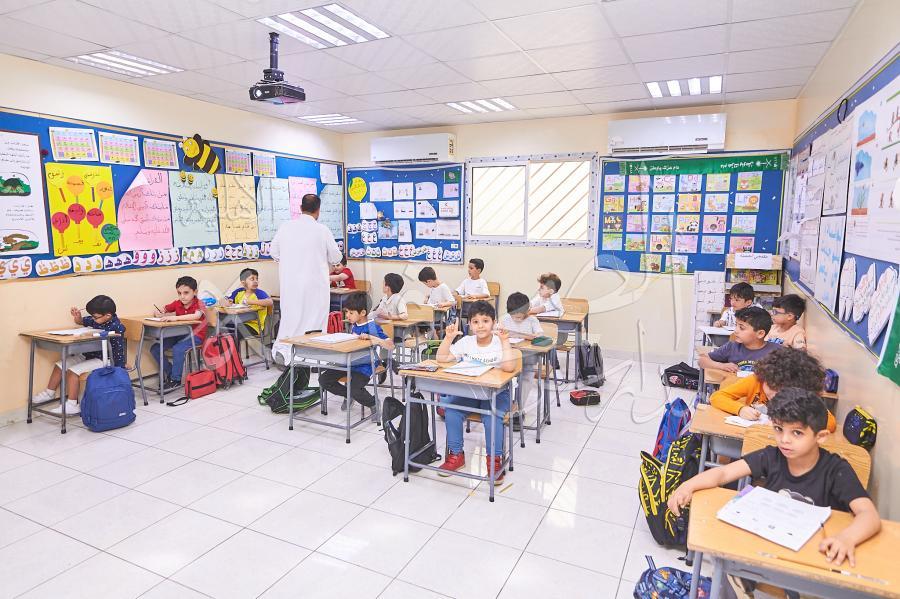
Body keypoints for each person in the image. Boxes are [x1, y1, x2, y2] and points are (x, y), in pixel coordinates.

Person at [669, 388, 881, 569]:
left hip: (814, 558)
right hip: (770, 551)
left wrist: (847, 538)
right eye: (779, 429)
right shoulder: (772, 456)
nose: (784, 440)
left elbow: (869, 515)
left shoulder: (836, 470)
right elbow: (723, 473)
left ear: (821, 437)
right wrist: (688, 485)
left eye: (797, 433)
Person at [437, 301, 516, 481]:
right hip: (471, 391)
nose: (480, 326)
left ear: (494, 323)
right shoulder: (466, 342)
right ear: (470, 325)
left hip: (497, 394)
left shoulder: (499, 342)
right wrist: (448, 338)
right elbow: (442, 359)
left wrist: (505, 341)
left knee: (491, 416)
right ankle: (456, 455)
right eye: (475, 322)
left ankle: (494, 460)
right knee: (452, 411)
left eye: (485, 321)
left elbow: (509, 368)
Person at [270, 193, 342, 364]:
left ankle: (286, 352)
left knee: (291, 318)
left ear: (300, 208)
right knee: (315, 319)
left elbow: (274, 252)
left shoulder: (285, 227)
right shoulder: (322, 230)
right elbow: (336, 257)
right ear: (318, 210)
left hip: (290, 285)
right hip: (315, 286)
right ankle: (313, 356)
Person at [33, 295, 126, 415]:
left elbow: (119, 350)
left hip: (104, 359)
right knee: (60, 364)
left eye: (95, 317)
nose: (92, 319)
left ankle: (72, 405)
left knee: (73, 372)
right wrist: (78, 318)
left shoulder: (116, 327)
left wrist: (120, 367)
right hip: (88, 355)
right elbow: (81, 321)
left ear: (107, 315)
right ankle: (49, 393)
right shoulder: (97, 319)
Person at [711, 346, 836, 432]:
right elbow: (717, 397)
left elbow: (830, 422)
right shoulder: (757, 381)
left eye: (782, 390)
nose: (774, 394)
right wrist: (740, 409)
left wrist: (786, 424)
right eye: (771, 386)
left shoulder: (803, 395)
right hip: (752, 438)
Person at [317, 293, 393, 416]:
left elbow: (390, 345)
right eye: (347, 312)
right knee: (324, 380)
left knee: (354, 388)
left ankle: (373, 402)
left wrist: (372, 338)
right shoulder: (354, 324)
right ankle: (349, 395)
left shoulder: (372, 326)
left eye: (351, 313)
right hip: (349, 362)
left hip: (365, 365)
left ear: (362, 313)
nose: (347, 315)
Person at [152, 276, 208, 392]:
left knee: (178, 349)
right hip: (178, 335)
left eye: (186, 293)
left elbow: (196, 316)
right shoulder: (177, 303)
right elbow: (164, 309)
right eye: (179, 293)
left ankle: (175, 380)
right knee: (155, 348)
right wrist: (159, 313)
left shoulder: (200, 303)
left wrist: (174, 318)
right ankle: (171, 372)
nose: (182, 296)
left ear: (195, 292)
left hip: (195, 336)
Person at [501, 292, 543, 422]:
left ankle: (518, 408)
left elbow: (540, 336)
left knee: (526, 378)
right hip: (509, 358)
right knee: (501, 378)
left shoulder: (532, 320)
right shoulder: (505, 319)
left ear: (527, 311)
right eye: (514, 317)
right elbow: (497, 333)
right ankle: (505, 406)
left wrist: (522, 335)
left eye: (520, 317)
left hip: (527, 358)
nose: (517, 319)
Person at [699, 306, 776, 375]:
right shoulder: (732, 347)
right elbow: (702, 361)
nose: (735, 331)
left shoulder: (776, 352)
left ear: (760, 334)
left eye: (741, 328)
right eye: (736, 325)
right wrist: (722, 366)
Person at [222, 267, 273, 336]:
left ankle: (230, 342)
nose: (255, 281)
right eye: (252, 279)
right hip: (240, 322)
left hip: (254, 326)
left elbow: (270, 302)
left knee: (236, 333)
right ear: (243, 283)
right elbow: (223, 299)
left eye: (257, 279)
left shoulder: (259, 293)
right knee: (223, 327)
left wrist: (250, 302)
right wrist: (227, 302)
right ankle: (224, 342)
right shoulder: (239, 291)